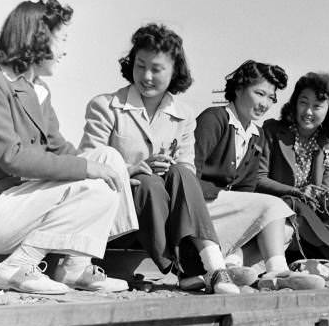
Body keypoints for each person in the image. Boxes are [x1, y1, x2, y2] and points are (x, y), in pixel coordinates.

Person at [0, 0, 136, 294]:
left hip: (21, 204)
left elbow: (59, 149)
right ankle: (17, 266)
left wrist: (104, 167)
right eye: (62, 39)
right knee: (94, 179)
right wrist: (87, 169)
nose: (65, 50)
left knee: (109, 159)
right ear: (38, 38)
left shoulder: (39, 90)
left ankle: (75, 267)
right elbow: (12, 157)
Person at [80, 24, 239, 295]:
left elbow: (187, 169)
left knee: (177, 173)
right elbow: (89, 162)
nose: (146, 76)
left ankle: (214, 267)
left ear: (174, 71)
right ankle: (189, 268)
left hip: (165, 207)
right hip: (121, 203)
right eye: (140, 66)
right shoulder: (105, 106)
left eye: (156, 69)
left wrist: (163, 169)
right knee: (148, 183)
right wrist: (132, 169)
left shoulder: (185, 115)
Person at [194, 59, 321, 287]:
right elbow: (191, 174)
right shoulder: (214, 118)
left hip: (228, 211)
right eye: (259, 93)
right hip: (201, 208)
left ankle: (234, 266)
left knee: (283, 231)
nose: (265, 103)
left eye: (271, 98)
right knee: (272, 205)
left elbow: (247, 189)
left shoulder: (256, 134)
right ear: (239, 88)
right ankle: (277, 272)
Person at [256, 72, 329, 260]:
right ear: (294, 103)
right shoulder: (273, 131)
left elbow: (325, 185)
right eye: (303, 102)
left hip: (309, 219)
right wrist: (297, 192)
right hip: (276, 210)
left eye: (317, 106)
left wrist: (326, 195)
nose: (308, 112)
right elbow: (258, 178)